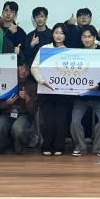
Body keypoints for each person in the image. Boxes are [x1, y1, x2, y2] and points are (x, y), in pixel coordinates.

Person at [69, 27, 100, 157]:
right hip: (81, 97)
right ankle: (80, 146)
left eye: (89, 36)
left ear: (94, 38)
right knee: (75, 122)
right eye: (84, 36)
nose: (87, 39)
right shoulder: (75, 54)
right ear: (81, 39)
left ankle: (98, 147)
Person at [31, 23, 72, 155]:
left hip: (62, 93)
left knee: (60, 121)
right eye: (56, 32)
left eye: (62, 33)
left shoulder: (69, 52)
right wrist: (42, 81)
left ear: (65, 36)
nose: (58, 36)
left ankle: (59, 146)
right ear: (52, 34)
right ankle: (46, 146)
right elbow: (34, 67)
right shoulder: (45, 49)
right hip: (45, 90)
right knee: (48, 121)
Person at [0, 57, 38, 155]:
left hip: (24, 115)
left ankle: (20, 148)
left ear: (29, 72)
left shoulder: (33, 85)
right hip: (7, 114)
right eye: (20, 68)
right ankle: (6, 147)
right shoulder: (7, 82)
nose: (23, 71)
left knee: (18, 128)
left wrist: (27, 99)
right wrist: (6, 103)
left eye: (26, 69)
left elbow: (34, 111)